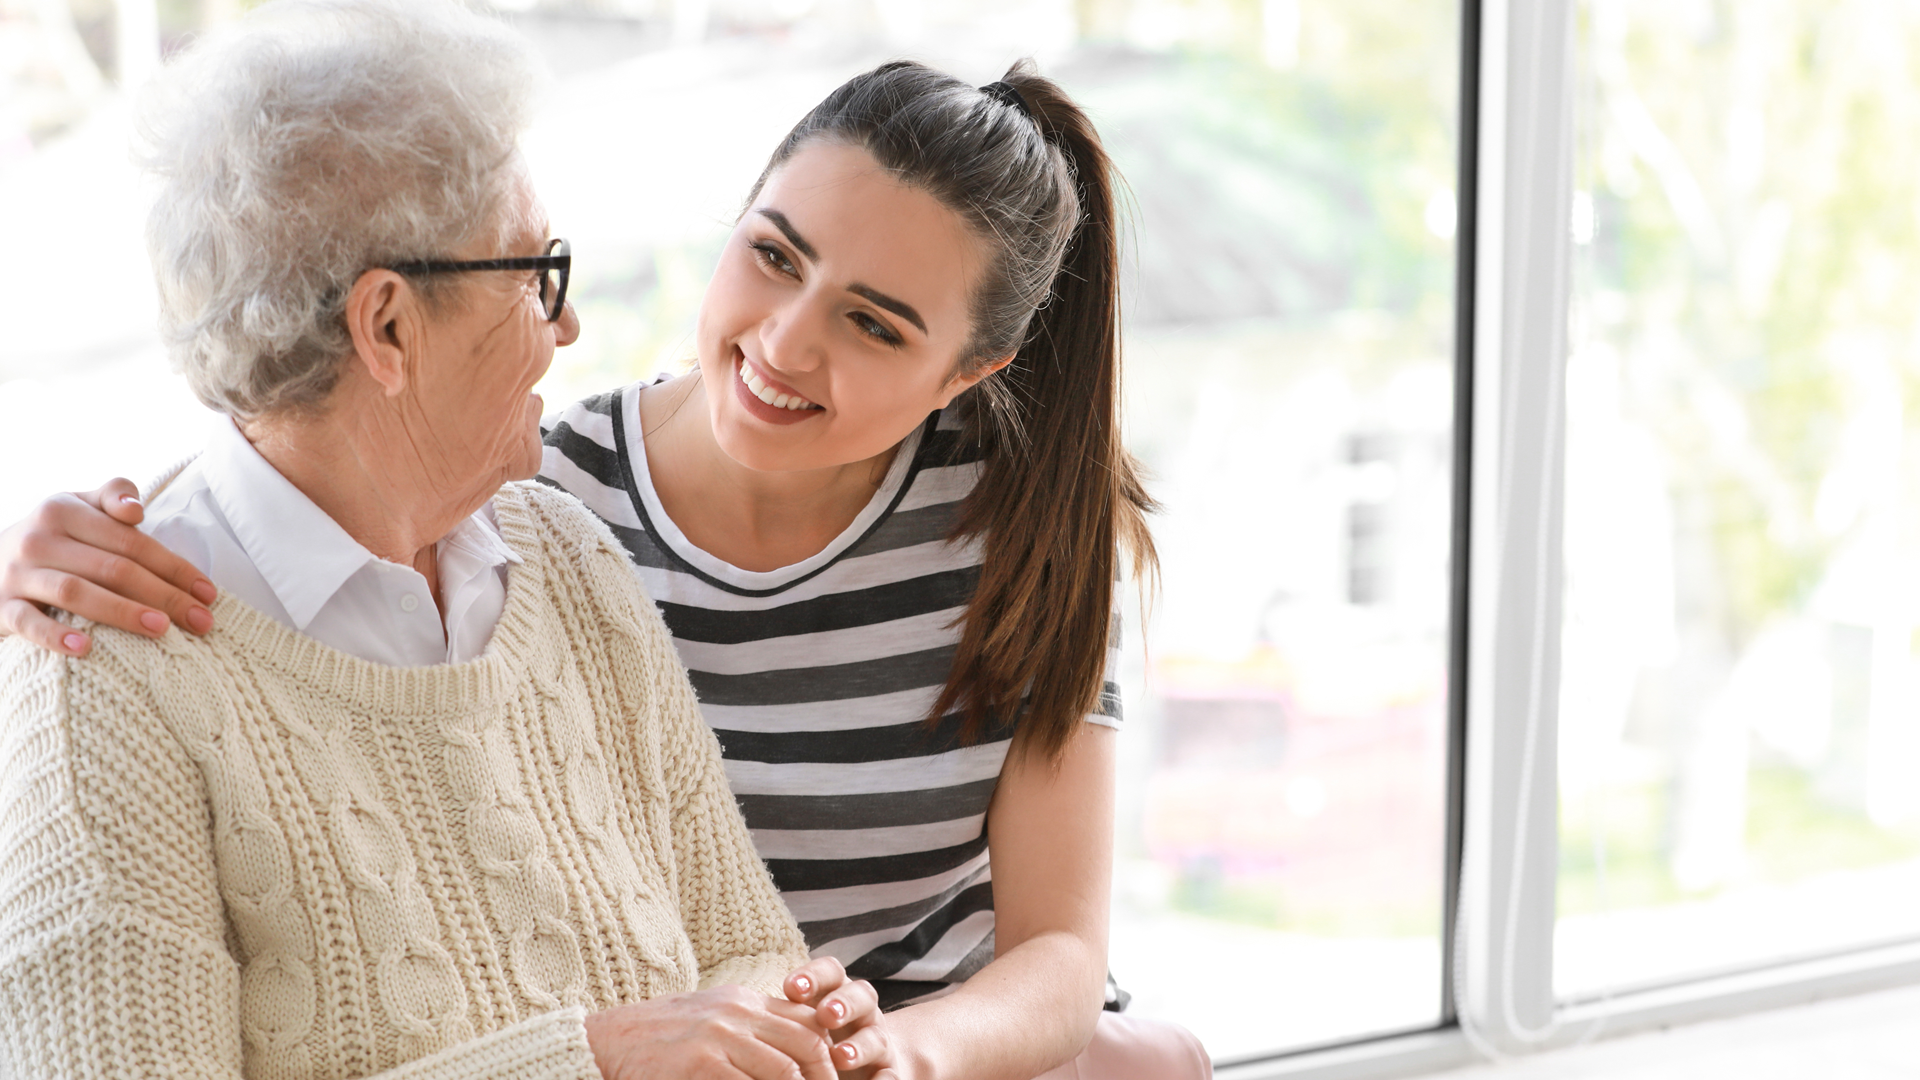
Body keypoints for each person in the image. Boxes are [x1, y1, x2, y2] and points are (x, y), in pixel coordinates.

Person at [0, 45, 1211, 1080]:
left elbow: (847, 960)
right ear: (386, 326)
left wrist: (886, 1046)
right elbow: (290, 445)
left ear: (967, 374)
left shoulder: (556, 553)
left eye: (876, 321)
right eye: (537, 276)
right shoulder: (548, 493)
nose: (571, 325)